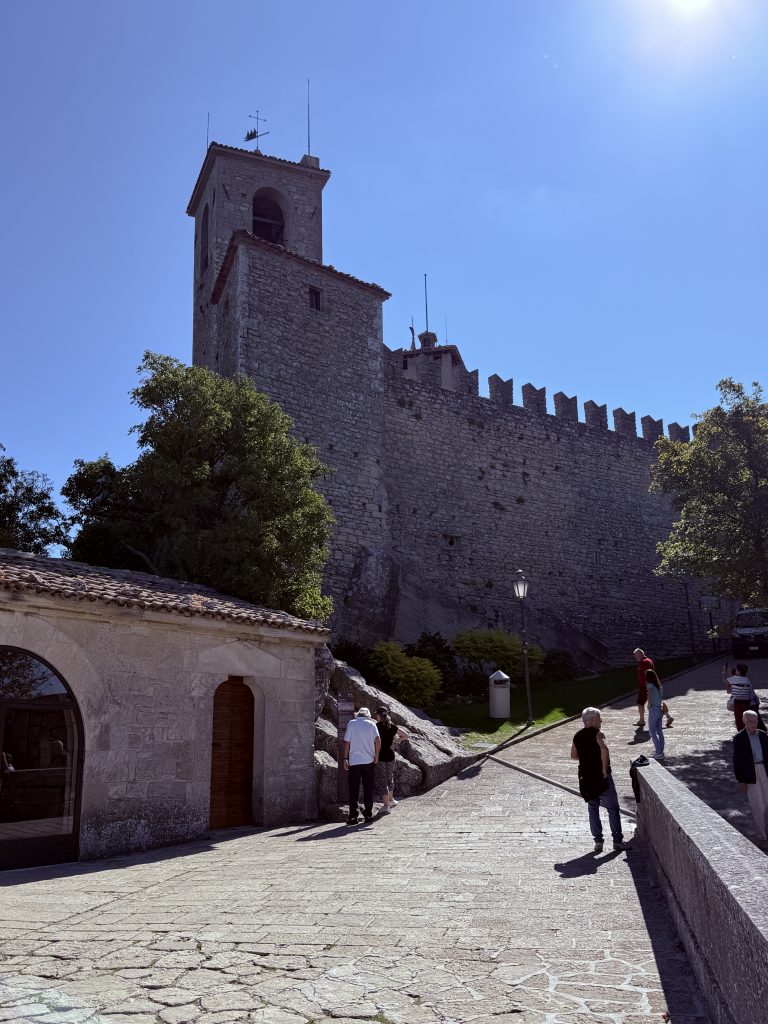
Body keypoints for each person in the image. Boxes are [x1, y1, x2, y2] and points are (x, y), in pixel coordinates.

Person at [570, 707, 628, 854]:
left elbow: (573, 756)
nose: (601, 721)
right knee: (613, 809)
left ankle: (598, 842)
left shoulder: (577, 736)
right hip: (601, 778)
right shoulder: (598, 734)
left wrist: (586, 756)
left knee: (593, 808)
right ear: (592, 720)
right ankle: (617, 841)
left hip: (585, 778)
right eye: (599, 718)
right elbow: (604, 749)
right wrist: (603, 769)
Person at [732, 709, 768, 850]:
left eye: (756, 720)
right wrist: (742, 780)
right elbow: (737, 761)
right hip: (751, 774)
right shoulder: (739, 738)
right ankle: (762, 837)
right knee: (757, 806)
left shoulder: (764, 735)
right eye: (751, 721)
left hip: (765, 770)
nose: (754, 723)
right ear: (744, 721)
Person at [342, 707, 381, 825]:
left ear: (357, 714)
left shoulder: (352, 723)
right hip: (368, 760)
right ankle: (368, 815)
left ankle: (353, 816)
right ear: (368, 715)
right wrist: (376, 755)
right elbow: (378, 740)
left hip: (355, 761)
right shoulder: (371, 724)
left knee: (354, 788)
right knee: (368, 788)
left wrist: (345, 758)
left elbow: (346, 742)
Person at [375, 706, 408, 813]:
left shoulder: (377, 726)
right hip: (391, 755)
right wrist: (395, 742)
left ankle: (386, 806)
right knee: (390, 778)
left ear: (379, 716)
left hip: (381, 756)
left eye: (377, 714)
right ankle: (391, 800)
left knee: (382, 780)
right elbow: (405, 735)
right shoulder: (392, 726)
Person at [633, 648, 674, 728]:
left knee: (640, 702)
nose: (635, 658)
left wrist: (647, 687)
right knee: (658, 701)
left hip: (646, 686)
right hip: (652, 685)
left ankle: (642, 720)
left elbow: (648, 674)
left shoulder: (645, 662)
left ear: (639, 654)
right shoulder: (648, 660)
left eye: (636, 656)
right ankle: (668, 716)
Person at [724, 662, 755, 732]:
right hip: (747, 703)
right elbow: (750, 691)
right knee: (746, 718)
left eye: (736, 670)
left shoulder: (734, 679)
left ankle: (741, 733)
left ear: (738, 671)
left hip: (738, 703)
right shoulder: (747, 680)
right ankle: (748, 732)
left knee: (738, 720)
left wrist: (724, 672)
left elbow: (726, 682)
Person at [646, 669, 665, 760]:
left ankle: (658, 752)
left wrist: (648, 705)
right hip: (659, 709)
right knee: (659, 731)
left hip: (653, 709)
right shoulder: (659, 686)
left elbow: (648, 695)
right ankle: (660, 751)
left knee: (652, 732)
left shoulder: (650, 685)